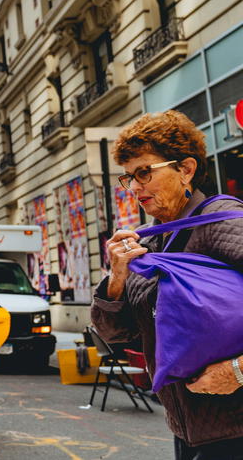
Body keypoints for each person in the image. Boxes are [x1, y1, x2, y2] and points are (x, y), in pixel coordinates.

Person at [91, 111, 243, 460]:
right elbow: (116, 333)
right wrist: (117, 276)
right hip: (190, 431)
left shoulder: (221, 221)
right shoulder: (154, 244)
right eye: (129, 177)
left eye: (145, 172)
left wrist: (237, 371)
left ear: (186, 169)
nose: (135, 186)